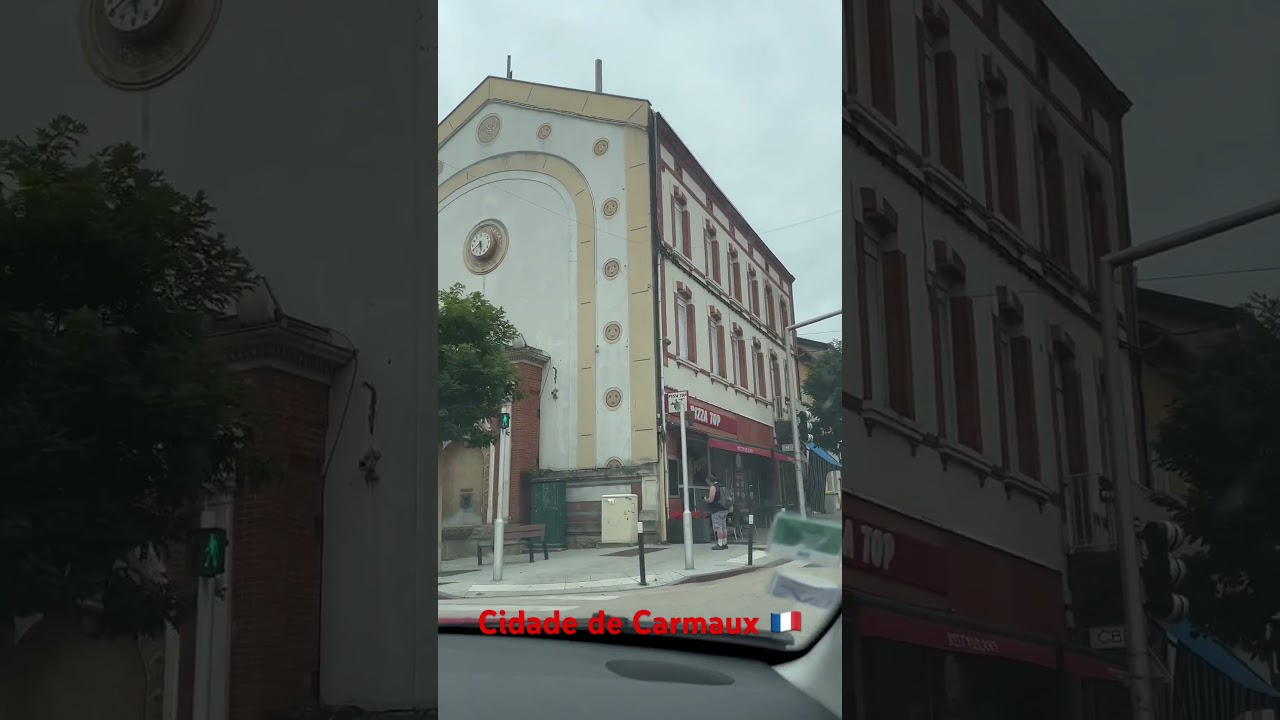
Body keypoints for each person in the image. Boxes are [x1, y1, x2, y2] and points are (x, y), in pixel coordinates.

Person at [704, 474, 731, 551]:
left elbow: (711, 500)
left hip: (717, 510)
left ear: (709, 481)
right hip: (724, 509)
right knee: (723, 526)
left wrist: (706, 499)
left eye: (707, 482)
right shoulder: (721, 486)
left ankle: (719, 544)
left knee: (718, 527)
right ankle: (725, 543)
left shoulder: (713, 487)